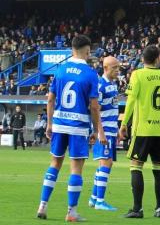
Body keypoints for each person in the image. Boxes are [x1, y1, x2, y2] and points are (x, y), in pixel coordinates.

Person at [36, 35, 107, 221]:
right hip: (78, 126)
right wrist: (95, 129)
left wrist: (49, 124)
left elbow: (50, 99)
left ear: (71, 50)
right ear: (87, 50)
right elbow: (93, 106)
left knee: (55, 164)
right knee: (76, 169)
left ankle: (42, 206)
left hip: (59, 123)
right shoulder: (91, 74)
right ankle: (71, 212)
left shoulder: (60, 70)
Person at [119, 45, 160, 218]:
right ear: (158, 58)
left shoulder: (137, 75)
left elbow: (131, 100)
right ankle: (159, 208)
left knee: (136, 167)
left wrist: (124, 123)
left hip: (142, 129)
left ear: (143, 59)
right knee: (158, 169)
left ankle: (137, 209)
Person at [89, 56, 121, 211]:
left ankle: (94, 198)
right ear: (106, 68)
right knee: (106, 163)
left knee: (105, 163)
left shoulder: (113, 84)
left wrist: (118, 129)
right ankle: (100, 202)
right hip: (105, 131)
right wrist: (100, 132)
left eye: (118, 67)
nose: (118, 70)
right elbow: (96, 111)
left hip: (111, 129)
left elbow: (112, 109)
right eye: (115, 67)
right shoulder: (100, 86)